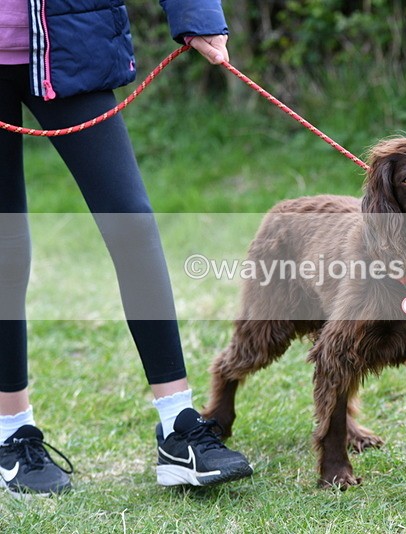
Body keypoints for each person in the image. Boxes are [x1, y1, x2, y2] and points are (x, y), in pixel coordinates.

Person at [0, 0, 253, 495]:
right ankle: (12, 436)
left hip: (70, 43)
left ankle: (177, 425)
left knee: (131, 223)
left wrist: (197, 16)